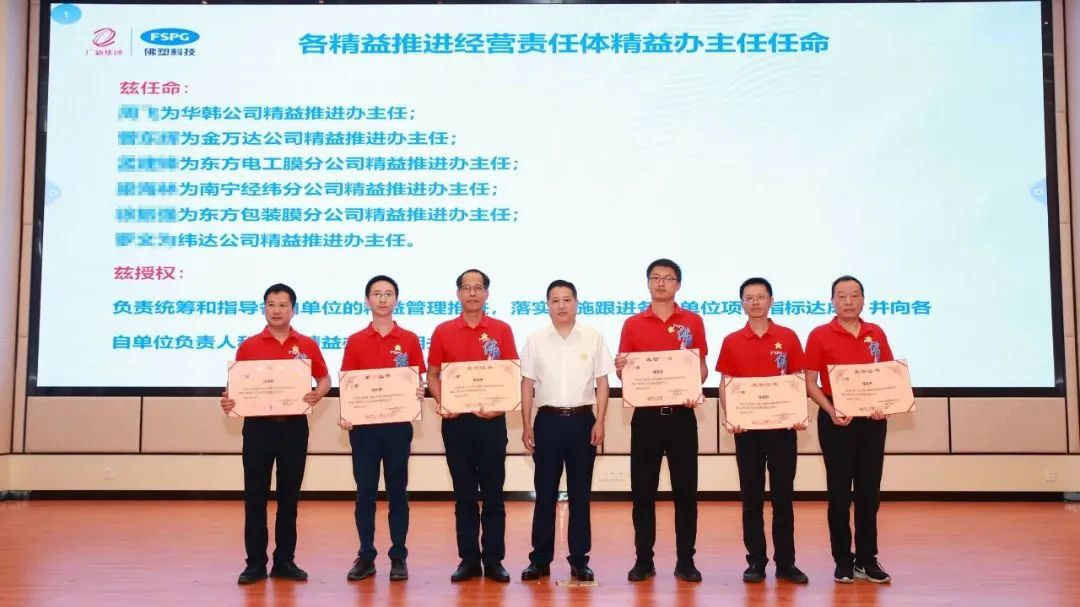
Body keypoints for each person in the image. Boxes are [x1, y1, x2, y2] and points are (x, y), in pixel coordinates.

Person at [220, 283, 330, 585]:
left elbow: (324, 378)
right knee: (255, 497)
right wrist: (228, 399)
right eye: (271, 304)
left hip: (294, 428)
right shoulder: (249, 346)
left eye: (283, 305)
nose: (277, 310)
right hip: (258, 429)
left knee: (289, 498)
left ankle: (285, 562)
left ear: (293, 309)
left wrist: (318, 394)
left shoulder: (306, 345)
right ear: (264, 308)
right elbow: (235, 387)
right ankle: (255, 564)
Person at [615, 258, 708, 583]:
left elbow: (701, 367)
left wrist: (694, 387)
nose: (661, 283)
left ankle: (686, 562)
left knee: (686, 494)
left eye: (668, 278)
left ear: (678, 284)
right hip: (646, 419)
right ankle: (644, 560)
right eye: (655, 277)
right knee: (643, 493)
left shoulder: (693, 321)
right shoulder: (632, 323)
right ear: (648, 283)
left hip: (682, 417)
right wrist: (622, 369)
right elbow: (625, 373)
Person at [427, 269, 519, 583]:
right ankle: (468, 560)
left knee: (493, 494)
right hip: (457, 424)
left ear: (487, 294)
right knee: (464, 495)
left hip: (492, 423)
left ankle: (493, 560)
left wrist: (500, 406)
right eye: (466, 288)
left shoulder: (502, 330)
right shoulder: (443, 331)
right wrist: (443, 401)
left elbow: (510, 374)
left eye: (478, 287)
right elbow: (433, 374)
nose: (472, 293)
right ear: (458, 294)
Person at [519, 280, 614, 582]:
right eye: (555, 300)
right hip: (547, 422)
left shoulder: (593, 337)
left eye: (567, 299)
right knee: (545, 494)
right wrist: (526, 424)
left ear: (576, 303)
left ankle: (579, 560)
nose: (561, 305)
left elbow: (603, 382)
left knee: (580, 494)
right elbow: (527, 384)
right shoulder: (535, 339)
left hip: (582, 421)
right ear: (547, 305)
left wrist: (600, 421)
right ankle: (540, 560)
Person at [716, 277, 809, 585]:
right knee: (751, 498)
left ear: (771, 301)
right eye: (749, 297)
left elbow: (797, 380)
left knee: (783, 498)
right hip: (748, 432)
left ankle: (786, 563)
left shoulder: (788, 337)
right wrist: (732, 417)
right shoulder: (732, 340)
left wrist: (798, 413)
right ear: (742, 303)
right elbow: (726, 384)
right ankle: (756, 561)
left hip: (782, 430)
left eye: (761, 297)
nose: (755, 302)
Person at [804, 275, 894, 584]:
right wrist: (830, 410)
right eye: (841, 296)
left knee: (869, 492)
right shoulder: (819, 335)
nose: (848, 301)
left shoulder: (876, 332)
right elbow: (809, 382)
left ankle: (867, 560)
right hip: (836, 420)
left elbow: (888, 377)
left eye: (854, 295)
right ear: (832, 301)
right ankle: (843, 560)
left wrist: (885, 403)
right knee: (839, 493)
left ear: (863, 300)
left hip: (872, 421)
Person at [339, 275, 427, 582]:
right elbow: (349, 383)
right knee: (365, 494)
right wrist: (347, 412)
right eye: (376, 294)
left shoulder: (410, 339)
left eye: (388, 293)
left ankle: (398, 556)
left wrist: (419, 390)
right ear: (367, 300)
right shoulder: (355, 340)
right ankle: (366, 556)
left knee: (397, 493)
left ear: (396, 300)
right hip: (363, 430)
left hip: (397, 428)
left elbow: (418, 379)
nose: (382, 298)